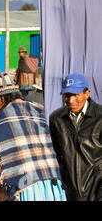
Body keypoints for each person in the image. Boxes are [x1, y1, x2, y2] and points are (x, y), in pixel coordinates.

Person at [0, 71, 66, 201]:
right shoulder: (39, 109)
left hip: (27, 185)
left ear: (1, 99)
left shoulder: (3, 121)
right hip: (53, 180)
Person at [49, 73, 102, 201]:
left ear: (87, 94)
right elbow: (56, 153)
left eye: (76, 95)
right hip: (70, 193)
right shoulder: (56, 119)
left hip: (98, 191)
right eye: (67, 96)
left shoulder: (100, 117)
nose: (71, 100)